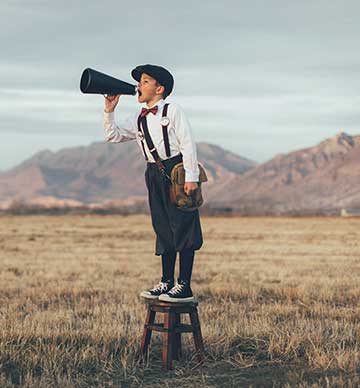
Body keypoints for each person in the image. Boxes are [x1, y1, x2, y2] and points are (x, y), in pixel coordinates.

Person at [103, 64, 203, 303]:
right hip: (153, 174)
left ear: (159, 88)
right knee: (163, 226)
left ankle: (184, 285)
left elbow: (188, 143)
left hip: (177, 171)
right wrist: (109, 111)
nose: (139, 85)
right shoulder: (138, 117)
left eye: (145, 81)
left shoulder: (173, 110)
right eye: (140, 81)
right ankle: (166, 281)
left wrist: (191, 177)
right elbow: (112, 135)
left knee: (184, 226)